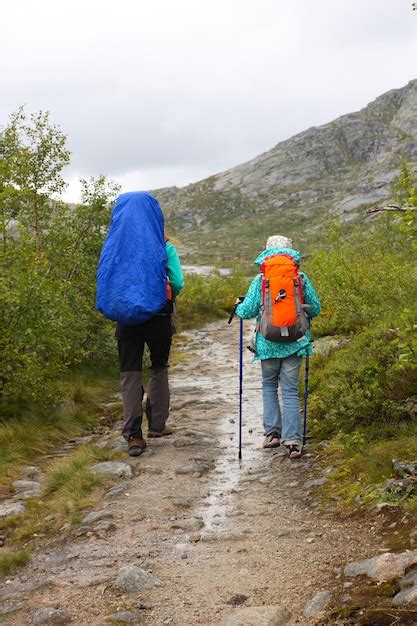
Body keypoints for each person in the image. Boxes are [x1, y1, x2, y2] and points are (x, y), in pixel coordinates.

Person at [96, 191, 184, 457]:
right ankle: (157, 425)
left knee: (130, 373)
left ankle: (134, 436)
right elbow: (178, 282)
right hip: (157, 317)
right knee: (159, 367)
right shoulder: (164, 245)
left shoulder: (112, 245)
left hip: (125, 319)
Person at [235, 235, 320, 459]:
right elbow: (316, 308)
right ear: (291, 253)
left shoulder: (261, 280)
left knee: (269, 386)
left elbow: (246, 312)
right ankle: (293, 441)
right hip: (296, 343)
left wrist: (239, 306)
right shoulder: (300, 278)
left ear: (267, 254)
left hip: (268, 344)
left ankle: (272, 433)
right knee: (290, 391)